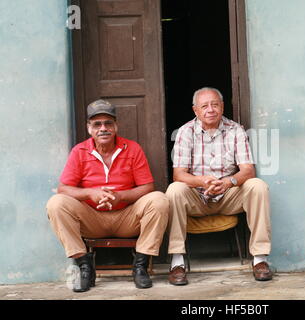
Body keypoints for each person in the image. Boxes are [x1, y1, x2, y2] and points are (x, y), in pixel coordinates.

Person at [46, 99, 169, 292]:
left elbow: (148, 187)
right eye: (97, 124)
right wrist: (90, 193)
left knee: (159, 199)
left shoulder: (132, 148)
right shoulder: (79, 151)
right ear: (89, 129)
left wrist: (121, 196)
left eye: (108, 123)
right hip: (92, 220)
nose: (103, 128)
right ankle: (84, 267)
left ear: (116, 126)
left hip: (126, 217)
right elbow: (63, 188)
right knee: (56, 203)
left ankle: (140, 267)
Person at [166, 87, 272, 285]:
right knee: (174, 190)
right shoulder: (185, 132)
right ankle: (177, 262)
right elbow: (178, 175)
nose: (210, 110)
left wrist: (227, 182)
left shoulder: (236, 130)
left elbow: (248, 170)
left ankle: (260, 259)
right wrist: (202, 181)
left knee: (257, 186)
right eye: (204, 106)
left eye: (215, 104)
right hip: (197, 197)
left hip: (228, 195)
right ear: (195, 110)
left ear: (222, 107)